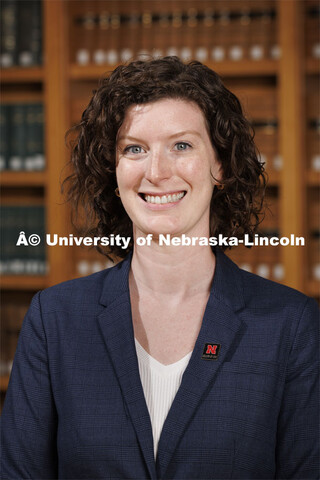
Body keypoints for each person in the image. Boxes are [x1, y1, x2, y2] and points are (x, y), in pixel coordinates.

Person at [1, 57, 319, 480]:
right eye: (135, 149)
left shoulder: (290, 324)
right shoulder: (54, 319)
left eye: (181, 146)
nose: (157, 171)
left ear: (220, 165)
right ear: (114, 172)